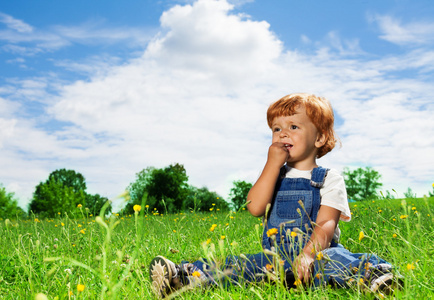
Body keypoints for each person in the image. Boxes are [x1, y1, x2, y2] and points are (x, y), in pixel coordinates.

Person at [149, 93, 402, 298]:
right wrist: (271, 164)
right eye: (276, 128)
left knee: (334, 259)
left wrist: (308, 255)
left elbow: (326, 223)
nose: (282, 133)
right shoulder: (275, 175)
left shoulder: (328, 178)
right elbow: (255, 207)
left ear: (320, 137)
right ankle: (184, 276)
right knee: (241, 265)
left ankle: (372, 274)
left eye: (293, 126)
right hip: (276, 262)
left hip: (315, 258)